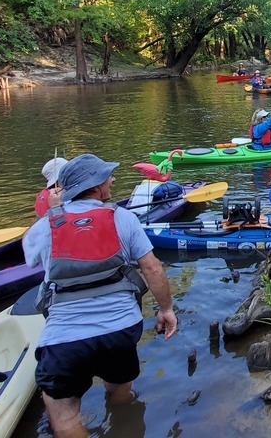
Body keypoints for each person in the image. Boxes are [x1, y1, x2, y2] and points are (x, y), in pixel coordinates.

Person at [23, 154, 178, 438]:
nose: (113, 179)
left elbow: (30, 259)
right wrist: (166, 309)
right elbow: (152, 268)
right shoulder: (124, 218)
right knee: (121, 393)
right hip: (120, 330)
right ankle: (122, 420)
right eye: (108, 176)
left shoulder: (45, 226)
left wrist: (51, 213)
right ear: (95, 186)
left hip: (64, 338)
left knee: (66, 415)